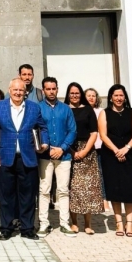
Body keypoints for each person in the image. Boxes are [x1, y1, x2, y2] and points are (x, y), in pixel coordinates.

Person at [0, 78, 48, 240]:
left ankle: (27, 229)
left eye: (21, 90)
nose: (18, 93)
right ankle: (6, 228)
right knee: (6, 196)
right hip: (5, 158)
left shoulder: (34, 107)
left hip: (27, 157)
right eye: (15, 90)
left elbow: (43, 127)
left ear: (26, 92)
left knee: (28, 196)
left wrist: (44, 142)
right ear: (9, 90)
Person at [98, 84, 132, 237]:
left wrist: (126, 148)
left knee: (130, 188)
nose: (118, 98)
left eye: (121, 95)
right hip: (111, 154)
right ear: (110, 97)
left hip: (129, 153)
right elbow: (103, 135)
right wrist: (116, 150)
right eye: (115, 95)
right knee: (114, 187)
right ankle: (118, 223)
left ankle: (130, 223)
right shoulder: (104, 113)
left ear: (125, 97)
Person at [37, 77, 77, 238]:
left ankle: (64, 223)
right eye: (48, 89)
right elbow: (36, 129)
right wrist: (45, 146)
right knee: (44, 189)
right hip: (45, 155)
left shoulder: (66, 109)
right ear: (43, 90)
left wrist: (62, 148)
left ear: (57, 89)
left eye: (54, 88)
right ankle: (44, 223)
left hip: (64, 155)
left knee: (63, 190)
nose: (51, 91)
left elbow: (72, 130)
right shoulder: (38, 108)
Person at [65, 82, 103, 235]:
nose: (74, 95)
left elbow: (94, 132)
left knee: (89, 188)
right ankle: (74, 223)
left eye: (77, 93)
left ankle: (88, 223)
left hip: (88, 152)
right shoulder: (64, 109)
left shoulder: (88, 109)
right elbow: (62, 132)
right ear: (68, 94)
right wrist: (73, 151)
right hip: (69, 149)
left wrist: (85, 150)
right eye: (72, 93)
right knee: (73, 188)